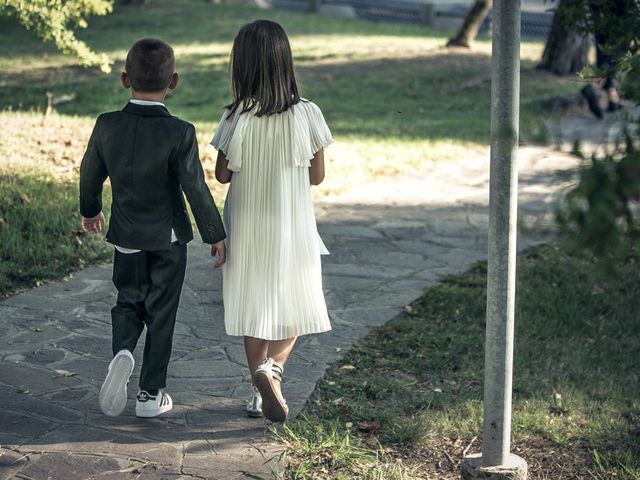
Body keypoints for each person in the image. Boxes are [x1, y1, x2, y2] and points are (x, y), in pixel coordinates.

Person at [79, 38, 226, 418]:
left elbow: (89, 174)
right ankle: (150, 395)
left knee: (128, 300)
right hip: (168, 239)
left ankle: (123, 350)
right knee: (162, 311)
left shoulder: (107, 124)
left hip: (126, 236)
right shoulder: (180, 132)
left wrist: (91, 211)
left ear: (124, 79)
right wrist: (215, 233)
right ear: (173, 81)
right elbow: (195, 185)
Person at [211, 20, 332, 422]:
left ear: (241, 66)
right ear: (285, 62)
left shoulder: (235, 115)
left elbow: (222, 175)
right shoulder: (308, 114)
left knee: (253, 307)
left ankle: (256, 391)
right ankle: (273, 370)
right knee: (296, 302)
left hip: (246, 224)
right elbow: (316, 176)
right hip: (291, 223)